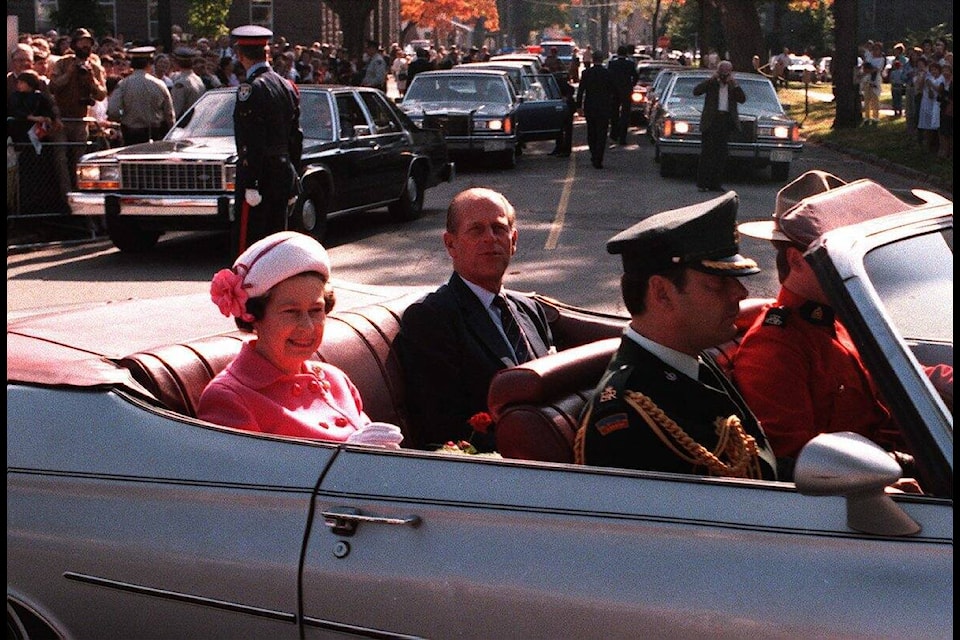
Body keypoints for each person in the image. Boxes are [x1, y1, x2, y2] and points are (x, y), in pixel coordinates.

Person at [733, 171, 951, 465]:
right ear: (796, 260)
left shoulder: (841, 319)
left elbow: (901, 374)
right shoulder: (775, 347)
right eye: (841, 255)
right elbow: (798, 460)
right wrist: (902, 466)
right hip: (870, 486)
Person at [574, 192, 779, 480]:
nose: (741, 293)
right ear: (662, 293)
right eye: (718, 283)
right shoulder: (628, 414)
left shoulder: (692, 362)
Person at [198, 231, 403, 448]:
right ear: (254, 316)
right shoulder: (229, 399)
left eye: (316, 310)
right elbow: (254, 478)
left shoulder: (335, 380)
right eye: (291, 311)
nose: (307, 326)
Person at [396, 188, 557, 452]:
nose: (490, 239)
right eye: (476, 230)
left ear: (513, 240)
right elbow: (444, 428)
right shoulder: (431, 318)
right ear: (450, 244)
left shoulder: (531, 310)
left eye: (498, 228)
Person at [230, 25, 303, 257]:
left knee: (251, 246)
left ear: (240, 55)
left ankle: (250, 293)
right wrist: (294, 174)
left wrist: (251, 181)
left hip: (259, 175)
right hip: (282, 171)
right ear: (267, 53)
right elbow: (295, 136)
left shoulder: (250, 89)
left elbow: (250, 139)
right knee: (276, 242)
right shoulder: (287, 86)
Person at [48, 28, 107, 205]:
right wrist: (70, 73)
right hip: (62, 120)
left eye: (88, 43)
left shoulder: (95, 67)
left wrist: (91, 80)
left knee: (80, 162)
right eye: (82, 43)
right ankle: (66, 198)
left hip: (81, 121)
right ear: (74, 45)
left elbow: (102, 94)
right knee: (61, 160)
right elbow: (53, 86)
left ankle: (82, 199)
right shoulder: (62, 63)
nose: (85, 46)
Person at [693, 60, 745, 193]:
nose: (724, 76)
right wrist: (713, 79)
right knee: (707, 153)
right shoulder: (712, 84)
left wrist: (734, 84)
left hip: (725, 120)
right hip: (711, 121)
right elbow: (696, 91)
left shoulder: (732, 86)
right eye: (722, 72)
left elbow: (742, 99)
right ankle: (702, 183)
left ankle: (715, 183)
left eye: (727, 73)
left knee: (721, 154)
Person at [107, 46, 175, 145]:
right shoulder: (160, 84)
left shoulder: (123, 84)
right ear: (149, 63)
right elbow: (169, 115)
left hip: (131, 134)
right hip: (155, 133)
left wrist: (124, 117)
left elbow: (113, 111)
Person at [576, 49, 616, 169]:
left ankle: (594, 153)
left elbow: (581, 90)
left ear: (593, 60)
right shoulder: (608, 73)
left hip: (590, 106)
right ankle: (599, 157)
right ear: (601, 59)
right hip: (604, 107)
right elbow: (613, 91)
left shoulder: (586, 73)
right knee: (602, 133)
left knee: (591, 132)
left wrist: (578, 106)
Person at [607, 44, 638, 145]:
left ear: (617, 53)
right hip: (626, 91)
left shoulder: (612, 64)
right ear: (626, 54)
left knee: (614, 113)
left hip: (614, 91)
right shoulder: (630, 64)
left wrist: (611, 87)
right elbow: (635, 76)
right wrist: (631, 85)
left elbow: (608, 77)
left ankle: (614, 134)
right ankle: (623, 138)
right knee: (625, 114)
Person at [169, 47, 206, 119]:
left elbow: (176, 110)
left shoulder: (181, 83)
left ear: (176, 62)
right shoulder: (198, 79)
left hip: (185, 123)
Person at [918, 59, 945, 154]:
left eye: (935, 69)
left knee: (936, 125)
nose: (933, 71)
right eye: (932, 69)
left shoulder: (941, 78)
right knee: (927, 125)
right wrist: (923, 76)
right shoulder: (928, 77)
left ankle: (938, 147)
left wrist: (931, 84)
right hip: (926, 103)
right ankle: (928, 146)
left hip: (937, 104)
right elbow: (920, 87)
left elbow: (939, 90)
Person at [549, 71, 576, 157]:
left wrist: (566, 97)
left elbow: (571, 89)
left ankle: (566, 150)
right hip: (558, 106)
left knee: (567, 129)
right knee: (559, 128)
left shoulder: (556, 82)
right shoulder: (549, 83)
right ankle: (559, 147)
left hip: (567, 107)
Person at [858, 60, 881, 125]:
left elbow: (878, 82)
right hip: (867, 90)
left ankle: (875, 117)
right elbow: (862, 82)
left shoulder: (876, 74)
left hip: (874, 90)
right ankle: (867, 117)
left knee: (875, 104)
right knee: (866, 103)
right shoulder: (866, 75)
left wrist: (872, 84)